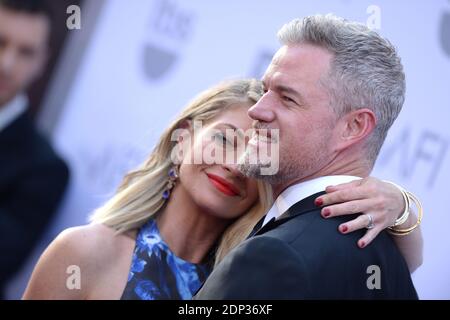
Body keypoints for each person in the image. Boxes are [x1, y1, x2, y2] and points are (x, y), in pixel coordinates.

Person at [22, 78, 421, 300]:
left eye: (255, 156)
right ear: (182, 140)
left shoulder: (260, 271)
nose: (235, 165)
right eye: (226, 139)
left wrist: (402, 206)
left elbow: (400, 269)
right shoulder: (86, 252)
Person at [195, 15, 421, 299]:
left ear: (354, 127)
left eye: (287, 98)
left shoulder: (272, 257)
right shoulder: (388, 254)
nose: (257, 110)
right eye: (266, 91)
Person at [0, 0, 69, 298]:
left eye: (26, 52)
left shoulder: (46, 168)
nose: (7, 64)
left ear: (42, 61)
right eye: (0, 42)